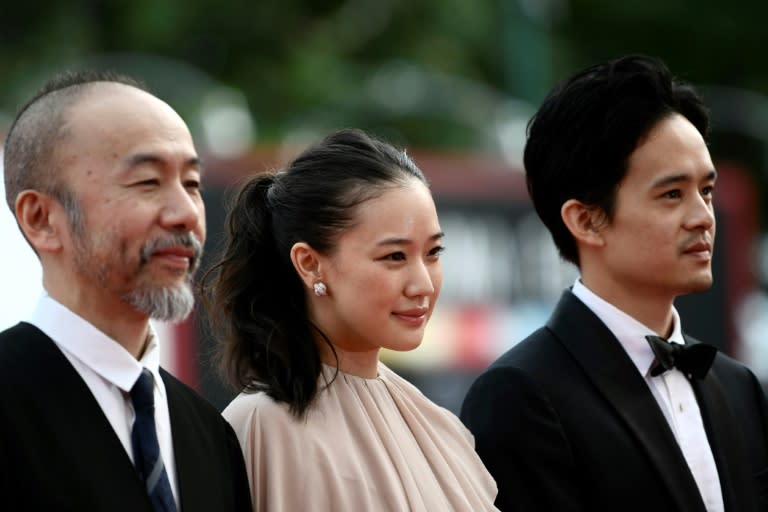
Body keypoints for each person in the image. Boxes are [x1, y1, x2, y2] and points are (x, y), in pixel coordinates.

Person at [460, 55, 768, 511]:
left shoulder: (738, 386)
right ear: (586, 220)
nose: (704, 217)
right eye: (671, 194)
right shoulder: (520, 394)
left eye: (706, 190)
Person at [201, 128, 499, 511]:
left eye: (433, 252)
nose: (422, 284)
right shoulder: (264, 428)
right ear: (310, 264)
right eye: (394, 256)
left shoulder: (438, 425)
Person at [0, 70, 252, 511]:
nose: (184, 214)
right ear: (40, 218)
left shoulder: (207, 431)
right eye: (147, 182)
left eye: (191, 184)